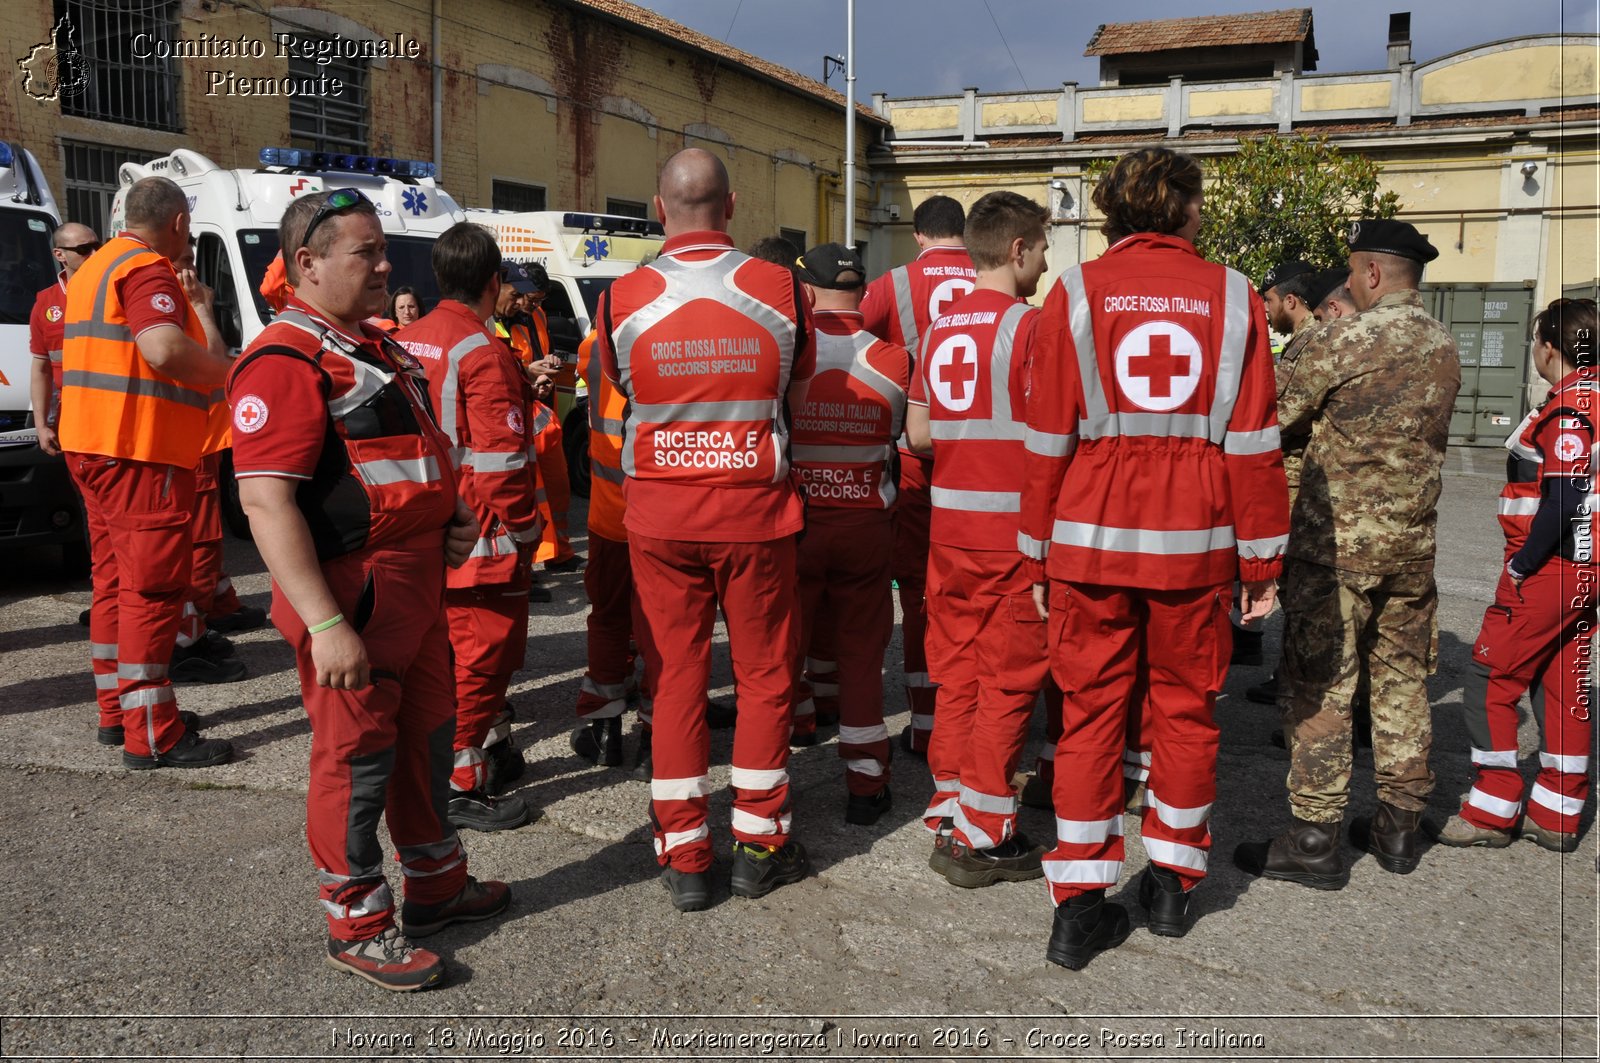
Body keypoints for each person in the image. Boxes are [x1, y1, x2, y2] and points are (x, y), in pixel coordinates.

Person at [230, 188, 509, 991]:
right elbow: (264, 501)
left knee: (426, 739)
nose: (387, 265)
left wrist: (448, 511)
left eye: (385, 250)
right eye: (367, 252)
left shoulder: (369, 346)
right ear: (307, 264)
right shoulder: (285, 359)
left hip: (415, 589)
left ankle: (436, 885)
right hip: (356, 597)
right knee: (355, 760)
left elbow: (408, 450)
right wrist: (324, 623)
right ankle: (357, 921)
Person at [1021, 148, 1288, 968]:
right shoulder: (1237, 298)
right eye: (1200, 202)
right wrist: (1261, 562)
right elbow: (1252, 444)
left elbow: (1046, 438)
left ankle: (1078, 907)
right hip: (1197, 547)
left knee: (1089, 715)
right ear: (1180, 208)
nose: (1205, 215)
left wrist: (1036, 555)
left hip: (1090, 539)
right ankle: (1172, 886)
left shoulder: (1071, 291)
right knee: (1185, 713)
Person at [597, 147, 814, 913]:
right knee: (763, 678)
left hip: (658, 514)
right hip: (754, 512)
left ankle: (686, 852)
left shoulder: (619, 297)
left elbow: (622, 386)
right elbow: (796, 379)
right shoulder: (781, 287)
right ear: (732, 206)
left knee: (676, 679)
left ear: (660, 208)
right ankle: (760, 840)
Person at [1234, 219, 1460, 889]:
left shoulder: (1343, 339)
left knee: (1321, 684)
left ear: (1368, 275)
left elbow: (1266, 417)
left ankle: (1313, 837)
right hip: (1412, 547)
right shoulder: (1444, 345)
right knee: (1400, 683)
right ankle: (1397, 827)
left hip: (1337, 552)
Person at [904, 190, 1057, 885]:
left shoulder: (937, 330)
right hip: (1010, 538)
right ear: (1018, 249)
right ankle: (987, 830)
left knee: (956, 671)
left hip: (950, 532)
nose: (1048, 260)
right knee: (1007, 680)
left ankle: (949, 800)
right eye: (1044, 246)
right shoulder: (1029, 330)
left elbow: (920, 434)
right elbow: (1056, 437)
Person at [58, 177, 234, 766]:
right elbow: (160, 349)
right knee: (153, 593)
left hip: (94, 445)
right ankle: (154, 732)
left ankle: (119, 712)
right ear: (180, 223)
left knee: (112, 583)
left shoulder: (93, 270)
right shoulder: (146, 268)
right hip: (139, 450)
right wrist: (225, 374)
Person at [396, 221, 544, 833]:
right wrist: (529, 530)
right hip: (483, 535)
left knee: (448, 660)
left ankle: (455, 766)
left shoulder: (410, 340)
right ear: (493, 281)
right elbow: (502, 462)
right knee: (486, 660)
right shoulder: (483, 351)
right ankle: (458, 779)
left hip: (428, 527)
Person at [1434, 297, 1596, 852]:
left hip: (1552, 568)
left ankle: (1492, 806)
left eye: (1535, 339)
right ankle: (1556, 811)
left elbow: (1566, 496)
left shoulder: (1570, 410)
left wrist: (1524, 565)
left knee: (1488, 679)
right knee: (1560, 683)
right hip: (1584, 573)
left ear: (1550, 346)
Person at [788, 242, 909, 823]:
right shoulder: (893, 358)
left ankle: (776, 774)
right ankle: (866, 782)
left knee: (779, 656)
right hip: (866, 526)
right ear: (861, 292)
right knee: (863, 657)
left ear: (805, 292)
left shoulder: (792, 354)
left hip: (799, 526)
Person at [861, 194, 975, 757]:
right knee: (977, 589)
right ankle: (974, 716)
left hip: (913, 457)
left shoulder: (894, 284)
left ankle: (927, 722)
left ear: (919, 235)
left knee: (919, 594)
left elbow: (859, 349)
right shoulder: (999, 275)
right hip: (982, 459)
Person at [1244, 263, 1350, 710]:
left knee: (1299, 591)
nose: (1266, 311)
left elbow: (1285, 413)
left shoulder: (1313, 342)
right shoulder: (1304, 342)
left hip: (1295, 481)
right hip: (1294, 479)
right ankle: (1289, 675)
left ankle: (1302, 686)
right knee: (1294, 590)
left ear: (1290, 300)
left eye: (1268, 301)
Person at [30, 222, 99, 457]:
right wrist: (41, 426)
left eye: (97, 246)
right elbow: (41, 368)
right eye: (84, 250)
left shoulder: (114, 290)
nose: (95, 254)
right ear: (60, 255)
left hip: (115, 416)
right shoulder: (46, 303)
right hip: (71, 421)